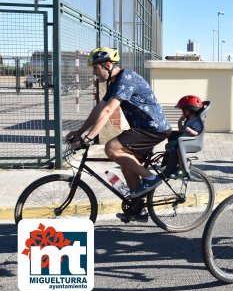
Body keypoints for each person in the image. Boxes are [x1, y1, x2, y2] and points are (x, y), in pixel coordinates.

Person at [66, 47, 171, 222]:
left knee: (112, 148)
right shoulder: (113, 82)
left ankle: (150, 178)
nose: (94, 72)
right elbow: (99, 108)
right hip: (142, 128)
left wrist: (88, 137)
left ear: (107, 65)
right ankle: (138, 210)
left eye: (95, 68)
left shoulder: (126, 79)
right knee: (126, 164)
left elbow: (108, 111)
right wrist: (80, 131)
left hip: (153, 128)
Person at [162, 95, 205, 178]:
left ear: (188, 110)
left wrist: (190, 130)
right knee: (169, 145)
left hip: (190, 141)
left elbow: (197, 133)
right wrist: (179, 122)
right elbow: (181, 131)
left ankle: (182, 169)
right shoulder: (188, 120)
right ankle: (172, 164)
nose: (182, 113)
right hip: (183, 139)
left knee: (175, 148)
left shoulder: (197, 121)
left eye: (183, 111)